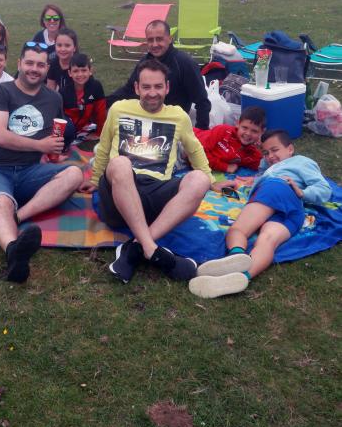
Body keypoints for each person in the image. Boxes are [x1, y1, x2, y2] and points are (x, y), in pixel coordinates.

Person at [80, 59, 212, 284]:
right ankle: (152, 248)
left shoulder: (179, 116)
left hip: (156, 198)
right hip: (118, 193)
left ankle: (136, 248)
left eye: (158, 87)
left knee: (199, 180)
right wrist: (94, 178)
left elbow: (195, 149)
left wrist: (210, 178)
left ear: (167, 88)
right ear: (136, 88)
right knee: (121, 163)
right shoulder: (119, 109)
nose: (153, 93)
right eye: (147, 87)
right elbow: (103, 147)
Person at [0, 41, 84, 283]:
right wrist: (40, 146)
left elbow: (56, 133)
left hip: (30, 170)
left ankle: (16, 218)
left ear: (46, 68)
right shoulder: (0, 92)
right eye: (29, 63)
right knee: (0, 202)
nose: (34, 69)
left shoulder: (53, 99)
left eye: (40, 65)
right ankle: (14, 252)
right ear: (19, 64)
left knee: (74, 174)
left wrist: (54, 151)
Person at [189, 129, 332, 298]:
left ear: (290, 149)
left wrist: (302, 192)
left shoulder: (300, 162)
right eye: (266, 153)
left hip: (275, 190)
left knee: (238, 231)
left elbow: (324, 189)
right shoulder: (270, 169)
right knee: (267, 240)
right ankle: (243, 276)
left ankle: (236, 256)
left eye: (275, 150)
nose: (270, 156)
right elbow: (261, 170)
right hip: (294, 213)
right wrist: (255, 178)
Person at [107, 20, 211, 129]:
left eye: (159, 39)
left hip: (173, 122)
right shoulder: (144, 62)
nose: (155, 44)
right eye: (150, 40)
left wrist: (201, 132)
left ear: (170, 39)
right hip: (145, 116)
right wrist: (104, 102)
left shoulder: (184, 63)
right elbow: (129, 89)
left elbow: (202, 101)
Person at [193, 107, 265, 176]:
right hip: (186, 142)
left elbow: (264, 168)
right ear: (237, 124)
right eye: (244, 128)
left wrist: (261, 150)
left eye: (254, 131)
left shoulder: (252, 153)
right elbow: (197, 152)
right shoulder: (223, 130)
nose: (248, 133)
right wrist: (224, 166)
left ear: (262, 132)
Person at [60, 53, 107, 137]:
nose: (80, 74)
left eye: (84, 70)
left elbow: (101, 111)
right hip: (70, 126)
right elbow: (59, 117)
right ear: (70, 73)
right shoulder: (63, 92)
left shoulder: (96, 86)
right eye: (75, 71)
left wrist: (99, 133)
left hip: (85, 124)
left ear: (90, 71)